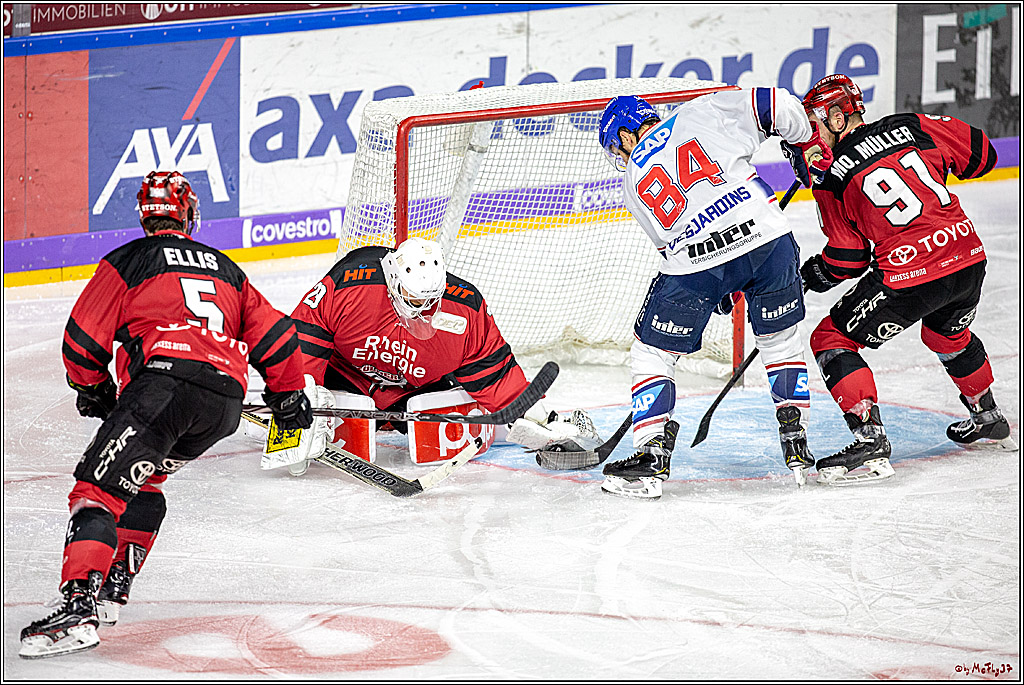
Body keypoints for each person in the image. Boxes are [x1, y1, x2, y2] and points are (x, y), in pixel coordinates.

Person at [19, 171, 312, 659]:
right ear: (190, 214)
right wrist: (288, 396)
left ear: (145, 214)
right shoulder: (226, 268)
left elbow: (82, 339)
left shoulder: (131, 259)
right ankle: (112, 588)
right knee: (143, 481)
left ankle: (77, 608)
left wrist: (92, 388)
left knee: (97, 489)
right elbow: (278, 337)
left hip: (162, 388)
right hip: (222, 406)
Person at [596, 88, 828, 499]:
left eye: (618, 143)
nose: (621, 153)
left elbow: (668, 244)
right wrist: (804, 142)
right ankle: (795, 440)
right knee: (780, 342)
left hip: (697, 264)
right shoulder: (697, 112)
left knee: (652, 352)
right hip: (768, 240)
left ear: (629, 134)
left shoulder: (633, 180)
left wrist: (716, 286)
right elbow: (774, 104)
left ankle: (651, 457)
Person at [792, 74, 1017, 486]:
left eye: (815, 124)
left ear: (839, 117)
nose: (810, 136)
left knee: (830, 339)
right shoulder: (912, 125)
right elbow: (983, 155)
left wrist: (808, 276)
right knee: (946, 335)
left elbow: (847, 258)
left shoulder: (830, 176)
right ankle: (988, 415)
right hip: (968, 256)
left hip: (912, 276)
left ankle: (870, 440)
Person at [276, 237, 596, 474]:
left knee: (451, 413)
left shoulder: (465, 308)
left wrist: (538, 416)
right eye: (415, 300)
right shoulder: (350, 284)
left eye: (432, 300)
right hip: (344, 377)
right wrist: (301, 394)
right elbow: (305, 334)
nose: (424, 311)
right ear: (394, 282)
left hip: (411, 390)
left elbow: (493, 370)